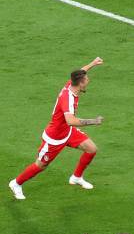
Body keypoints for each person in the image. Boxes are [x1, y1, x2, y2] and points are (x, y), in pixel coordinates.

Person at [9, 58, 104, 200]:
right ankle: (16, 183)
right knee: (40, 165)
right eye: (86, 81)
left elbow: (81, 72)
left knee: (91, 149)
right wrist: (93, 121)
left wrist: (93, 63)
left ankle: (76, 177)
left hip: (67, 132)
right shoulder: (68, 98)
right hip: (54, 138)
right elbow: (70, 120)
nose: (88, 82)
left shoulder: (70, 85)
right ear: (80, 84)